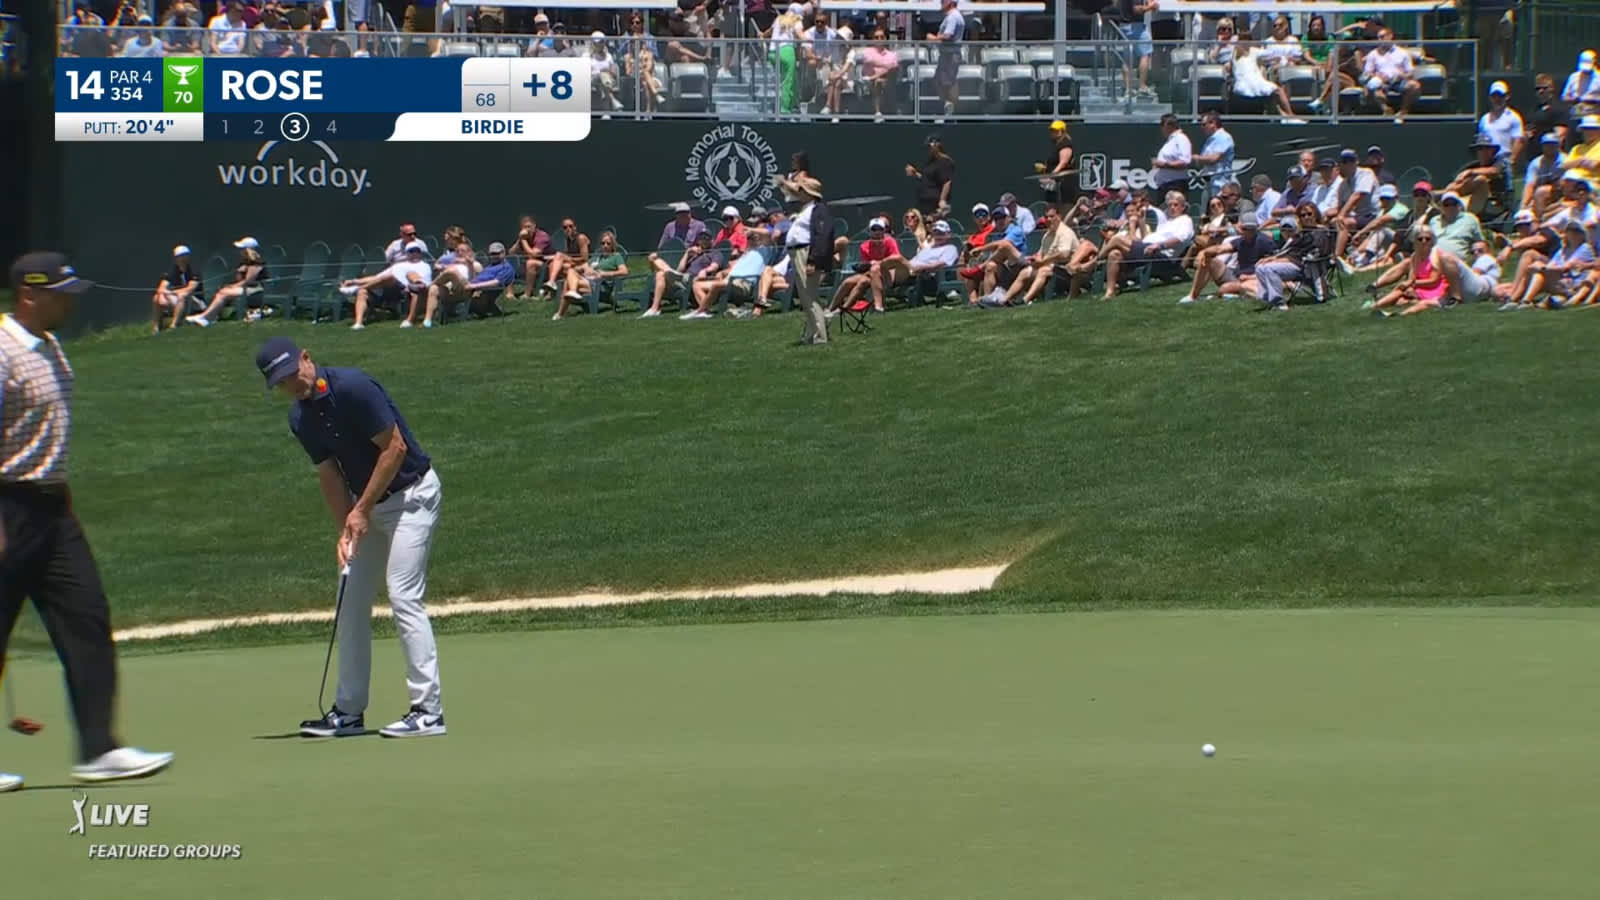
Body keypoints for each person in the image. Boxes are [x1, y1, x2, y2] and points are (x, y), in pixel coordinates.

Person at [1, 252, 177, 791]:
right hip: (7, 507)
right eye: (60, 292)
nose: (70, 300)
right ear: (30, 294)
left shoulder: (49, 346)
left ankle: (99, 749)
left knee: (88, 618)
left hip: (52, 510)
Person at [254, 338, 447, 740]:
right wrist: (346, 527)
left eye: (294, 372)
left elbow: (394, 449)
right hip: (368, 505)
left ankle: (428, 711)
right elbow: (330, 475)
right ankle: (348, 710)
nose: (293, 383)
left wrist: (361, 511)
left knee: (403, 594)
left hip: (412, 496)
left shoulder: (354, 387)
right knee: (350, 597)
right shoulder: (300, 419)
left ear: (306, 357)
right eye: (282, 382)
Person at [776, 174, 834, 345]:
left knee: (810, 295)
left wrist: (813, 260)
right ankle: (812, 332)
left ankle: (820, 336)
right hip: (796, 253)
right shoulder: (806, 209)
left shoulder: (818, 210)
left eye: (802, 190)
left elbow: (822, 236)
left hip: (805, 252)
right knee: (805, 297)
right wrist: (784, 183)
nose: (798, 193)